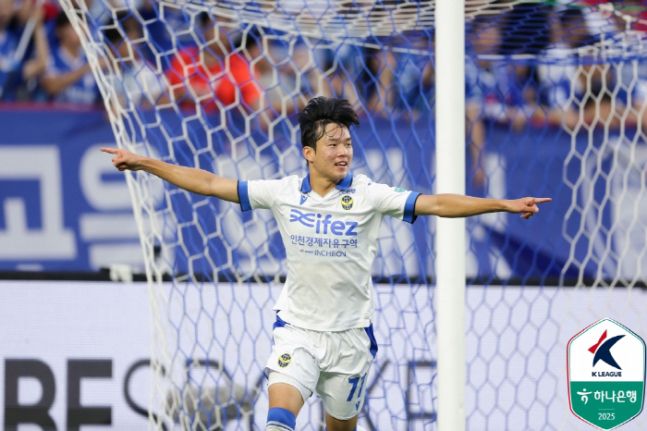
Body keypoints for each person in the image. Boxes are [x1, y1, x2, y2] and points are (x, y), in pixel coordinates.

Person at [102, 96, 551, 431]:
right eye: (332, 143)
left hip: (350, 340)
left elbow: (435, 203)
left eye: (347, 143)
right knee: (279, 420)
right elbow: (210, 183)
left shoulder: (370, 195)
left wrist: (502, 204)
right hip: (297, 330)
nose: (343, 151)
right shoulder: (282, 193)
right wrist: (145, 163)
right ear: (308, 153)